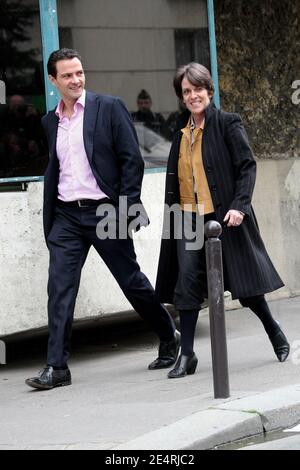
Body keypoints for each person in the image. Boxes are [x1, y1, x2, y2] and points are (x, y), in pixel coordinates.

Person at [25, 48, 180, 390]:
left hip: (105, 211)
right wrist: (51, 220)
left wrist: (126, 209)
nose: (76, 79)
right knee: (60, 288)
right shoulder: (50, 121)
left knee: (131, 281)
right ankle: (57, 367)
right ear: (53, 81)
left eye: (79, 72)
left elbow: (131, 161)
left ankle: (169, 333)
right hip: (66, 215)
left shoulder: (107, 107)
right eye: (67, 75)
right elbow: (57, 168)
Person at [155, 62, 290, 379]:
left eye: (197, 89)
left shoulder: (228, 123)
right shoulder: (180, 134)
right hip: (187, 220)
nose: (193, 96)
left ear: (209, 91)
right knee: (185, 286)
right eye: (186, 92)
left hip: (224, 218)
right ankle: (186, 355)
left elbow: (247, 166)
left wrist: (239, 206)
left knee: (245, 288)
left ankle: (274, 331)